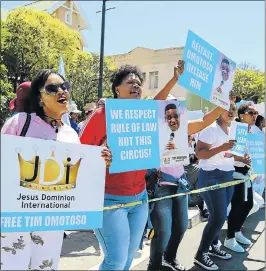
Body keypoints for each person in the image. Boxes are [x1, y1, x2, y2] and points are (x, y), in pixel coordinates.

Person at [79, 61, 186, 271]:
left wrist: (174, 79)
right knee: (115, 261)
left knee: (128, 258)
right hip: (109, 199)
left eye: (138, 83)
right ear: (117, 89)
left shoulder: (144, 113)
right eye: (130, 82)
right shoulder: (103, 114)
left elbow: (159, 101)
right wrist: (100, 154)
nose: (135, 86)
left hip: (139, 199)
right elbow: (80, 151)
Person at [1, 69, 111, 270]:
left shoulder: (70, 134)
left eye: (65, 86)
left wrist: (100, 161)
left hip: (51, 220)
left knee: (46, 267)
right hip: (15, 218)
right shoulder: (19, 123)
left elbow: (80, 176)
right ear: (40, 98)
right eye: (53, 88)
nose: (62, 91)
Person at [148, 93, 236, 271]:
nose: (172, 118)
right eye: (168, 115)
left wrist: (223, 103)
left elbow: (204, 120)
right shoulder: (151, 131)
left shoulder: (183, 128)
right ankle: (154, 266)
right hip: (161, 185)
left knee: (180, 227)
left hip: (180, 183)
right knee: (163, 232)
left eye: (175, 114)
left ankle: (170, 258)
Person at [193, 103, 241, 270]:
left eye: (233, 109)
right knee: (218, 217)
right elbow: (199, 153)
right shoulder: (211, 128)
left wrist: (242, 158)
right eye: (227, 108)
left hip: (227, 175)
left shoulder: (231, 129)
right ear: (219, 110)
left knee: (220, 215)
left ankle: (213, 246)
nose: (230, 112)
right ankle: (201, 253)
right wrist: (221, 147)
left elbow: (226, 154)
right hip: (212, 176)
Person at [224, 104, 257, 253]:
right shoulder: (237, 129)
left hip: (246, 172)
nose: (254, 115)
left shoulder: (249, 131)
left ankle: (237, 231)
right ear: (242, 115)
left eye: (255, 112)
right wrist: (241, 158)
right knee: (238, 205)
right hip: (235, 171)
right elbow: (228, 151)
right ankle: (229, 238)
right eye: (251, 112)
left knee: (248, 204)